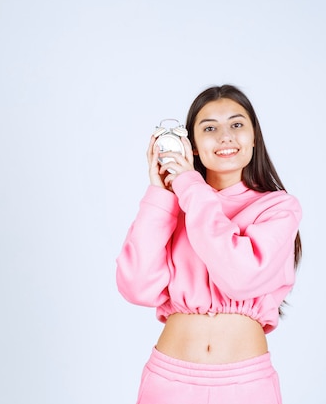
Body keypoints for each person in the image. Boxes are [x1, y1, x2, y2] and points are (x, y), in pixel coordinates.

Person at [116, 84, 302, 404]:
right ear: (195, 147)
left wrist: (189, 184)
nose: (225, 136)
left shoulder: (280, 208)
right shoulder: (173, 206)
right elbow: (136, 287)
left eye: (237, 124)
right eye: (210, 128)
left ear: (254, 137)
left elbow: (240, 278)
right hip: (169, 380)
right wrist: (161, 194)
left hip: (246, 384)